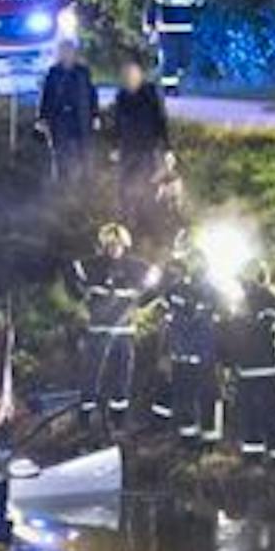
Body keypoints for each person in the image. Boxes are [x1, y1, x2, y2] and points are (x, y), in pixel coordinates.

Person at [68, 223, 161, 432]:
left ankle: (118, 419)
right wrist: (80, 298)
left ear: (125, 244)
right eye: (109, 244)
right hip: (98, 331)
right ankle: (85, 417)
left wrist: (142, 302)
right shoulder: (92, 266)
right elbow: (72, 273)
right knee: (91, 375)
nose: (113, 248)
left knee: (122, 377)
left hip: (124, 332)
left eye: (117, 244)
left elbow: (156, 279)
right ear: (103, 244)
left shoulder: (136, 267)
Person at [224, 260, 275, 470]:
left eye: (246, 279)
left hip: (267, 367)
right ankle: (252, 455)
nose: (244, 283)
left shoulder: (270, 300)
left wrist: (242, 326)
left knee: (273, 413)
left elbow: (264, 331)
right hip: (246, 368)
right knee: (248, 415)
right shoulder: (241, 301)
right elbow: (233, 334)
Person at [160, 245, 223, 446]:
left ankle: (209, 440)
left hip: (204, 355)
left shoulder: (213, 291)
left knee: (207, 398)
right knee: (185, 399)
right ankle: (189, 440)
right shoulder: (176, 289)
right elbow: (167, 315)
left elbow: (223, 322)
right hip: (182, 354)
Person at [112, 59, 170, 233]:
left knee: (148, 186)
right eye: (127, 75)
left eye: (133, 74)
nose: (130, 78)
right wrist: (114, 146)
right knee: (125, 189)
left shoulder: (150, 94)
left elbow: (161, 121)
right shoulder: (121, 96)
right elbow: (117, 124)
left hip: (146, 149)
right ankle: (127, 222)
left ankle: (147, 224)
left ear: (140, 75)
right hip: (127, 150)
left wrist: (167, 148)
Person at [36, 41, 100, 180]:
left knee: (83, 151)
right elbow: (46, 95)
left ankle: (86, 180)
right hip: (60, 118)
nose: (67, 54)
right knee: (60, 151)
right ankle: (62, 181)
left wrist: (95, 114)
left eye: (70, 51)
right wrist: (42, 117)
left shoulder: (82, 72)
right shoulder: (53, 72)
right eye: (64, 51)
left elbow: (92, 94)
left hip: (80, 117)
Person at [144, 0, 207, 94]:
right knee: (171, 58)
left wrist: (200, 0)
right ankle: (169, 88)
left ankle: (167, 78)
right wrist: (150, 25)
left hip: (185, 28)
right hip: (167, 28)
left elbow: (195, 4)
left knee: (185, 58)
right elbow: (152, 5)